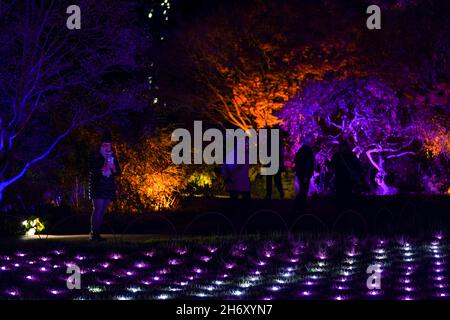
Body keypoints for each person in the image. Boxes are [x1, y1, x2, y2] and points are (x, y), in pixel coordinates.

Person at [88, 130, 121, 241]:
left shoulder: (112, 156)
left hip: (108, 185)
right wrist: (104, 163)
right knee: (97, 209)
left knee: (103, 210)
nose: (107, 146)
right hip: (98, 185)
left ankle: (97, 233)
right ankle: (93, 233)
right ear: (101, 144)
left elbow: (118, 172)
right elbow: (93, 169)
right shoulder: (96, 155)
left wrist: (113, 166)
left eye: (109, 144)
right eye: (105, 144)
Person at [222, 140, 251, 214]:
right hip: (238, 182)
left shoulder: (241, 154)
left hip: (236, 182)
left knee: (236, 201)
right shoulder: (244, 154)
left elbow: (225, 167)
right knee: (243, 203)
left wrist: (227, 177)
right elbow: (226, 167)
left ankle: (236, 216)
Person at [330, 140, 361, 207]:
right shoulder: (351, 155)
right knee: (348, 196)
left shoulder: (337, 155)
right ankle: (347, 211)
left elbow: (332, 167)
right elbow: (358, 166)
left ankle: (341, 212)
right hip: (348, 179)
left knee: (340, 196)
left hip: (340, 178)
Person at [294, 136, 315, 213]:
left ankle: (300, 206)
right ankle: (299, 206)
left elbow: (296, 161)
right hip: (304, 173)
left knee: (303, 189)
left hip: (301, 173)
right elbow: (309, 163)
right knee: (304, 190)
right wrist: (307, 174)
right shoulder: (308, 150)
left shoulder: (301, 150)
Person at [265, 128, 285, 200]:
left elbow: (280, 153)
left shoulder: (275, 141)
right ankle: (271, 194)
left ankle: (276, 194)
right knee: (272, 179)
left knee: (274, 179)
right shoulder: (274, 141)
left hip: (274, 162)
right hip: (272, 162)